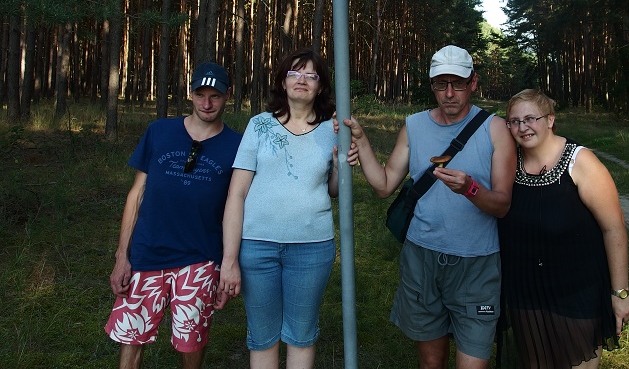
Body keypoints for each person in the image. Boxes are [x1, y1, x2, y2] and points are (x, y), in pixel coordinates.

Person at [345, 44, 516, 369]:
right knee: (431, 362)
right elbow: (384, 185)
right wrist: (362, 140)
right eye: (441, 84)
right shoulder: (414, 126)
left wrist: (470, 189)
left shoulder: (495, 129)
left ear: (473, 83)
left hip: (476, 264)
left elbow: (502, 205)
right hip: (421, 259)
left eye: (458, 84)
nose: (449, 94)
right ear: (431, 85)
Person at [105, 62, 243, 369]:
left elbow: (238, 205)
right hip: (148, 252)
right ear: (190, 93)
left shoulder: (237, 145)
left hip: (200, 256)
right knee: (132, 333)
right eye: (200, 95)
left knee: (191, 339)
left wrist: (228, 264)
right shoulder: (159, 131)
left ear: (228, 96)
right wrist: (122, 255)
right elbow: (136, 194)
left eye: (215, 96)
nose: (207, 103)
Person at [496, 89, 629, 369]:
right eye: (514, 121)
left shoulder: (580, 162)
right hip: (526, 293)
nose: (523, 127)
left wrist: (620, 293)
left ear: (550, 120)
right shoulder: (509, 163)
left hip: (577, 292)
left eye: (531, 118)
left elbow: (614, 229)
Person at [219, 47, 339, 369]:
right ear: (282, 82)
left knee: (301, 335)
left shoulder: (333, 130)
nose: (302, 80)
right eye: (294, 73)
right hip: (257, 247)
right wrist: (229, 260)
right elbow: (236, 193)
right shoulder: (259, 125)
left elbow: (335, 190)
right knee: (262, 336)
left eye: (311, 75)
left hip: (312, 248)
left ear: (321, 86)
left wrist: (340, 166)